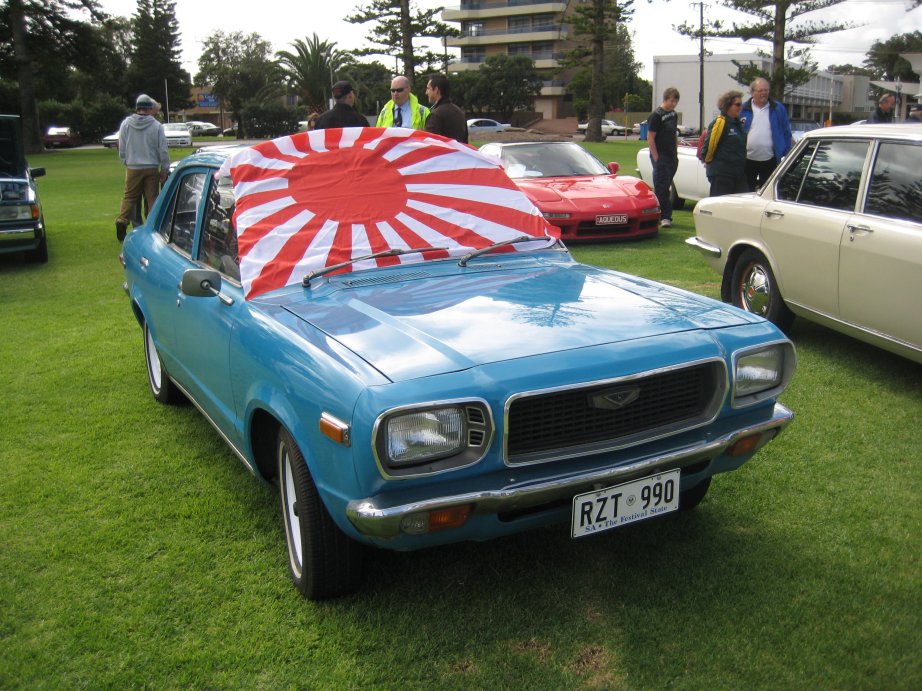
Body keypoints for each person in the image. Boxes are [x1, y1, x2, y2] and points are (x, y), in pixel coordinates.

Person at [115, 93, 169, 241]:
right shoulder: (156, 126)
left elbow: (122, 146)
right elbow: (163, 150)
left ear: (137, 108)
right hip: (151, 166)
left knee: (129, 196)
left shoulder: (126, 124)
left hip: (133, 166)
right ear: (149, 108)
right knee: (152, 197)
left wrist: (126, 161)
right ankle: (152, 226)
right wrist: (164, 168)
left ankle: (122, 220)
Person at [740, 77, 793, 191]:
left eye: (766, 90)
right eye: (760, 90)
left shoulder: (778, 109)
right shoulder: (743, 109)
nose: (764, 93)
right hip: (747, 160)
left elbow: (786, 132)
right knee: (746, 191)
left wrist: (786, 152)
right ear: (752, 93)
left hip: (770, 159)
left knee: (767, 191)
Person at [701, 90, 748, 197]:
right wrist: (709, 161)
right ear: (727, 105)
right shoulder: (720, 122)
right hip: (722, 174)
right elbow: (709, 146)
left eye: (741, 105)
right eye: (737, 105)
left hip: (738, 173)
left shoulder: (738, 124)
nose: (740, 108)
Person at [646, 87, 680, 228]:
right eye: (671, 101)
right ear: (665, 99)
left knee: (667, 185)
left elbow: (673, 134)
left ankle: (660, 214)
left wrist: (675, 152)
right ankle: (665, 216)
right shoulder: (656, 115)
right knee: (662, 187)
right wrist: (656, 157)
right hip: (661, 156)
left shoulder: (673, 115)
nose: (673, 104)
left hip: (672, 155)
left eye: (676, 101)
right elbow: (650, 138)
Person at [423, 73, 468, 143]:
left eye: (428, 88)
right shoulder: (460, 113)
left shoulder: (435, 115)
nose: (426, 92)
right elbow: (465, 143)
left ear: (436, 90)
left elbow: (430, 144)